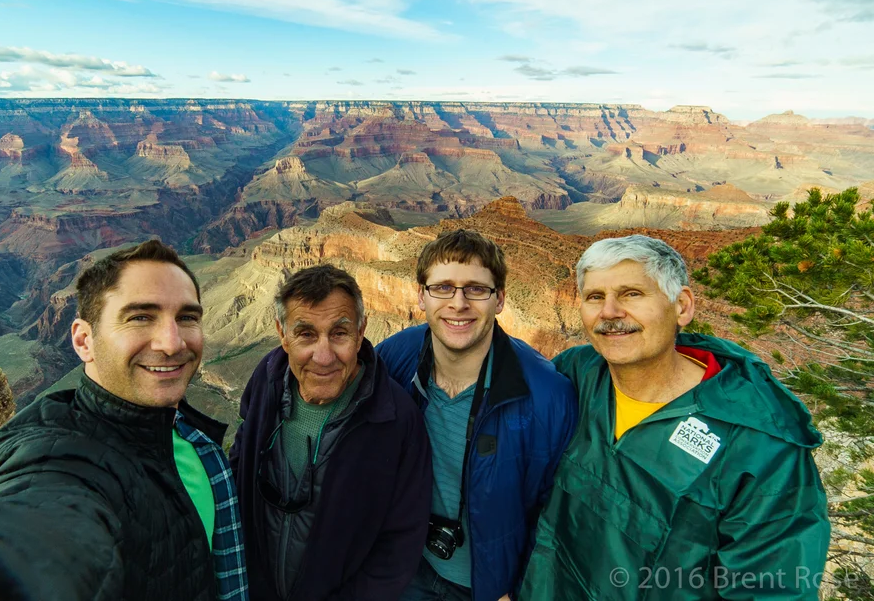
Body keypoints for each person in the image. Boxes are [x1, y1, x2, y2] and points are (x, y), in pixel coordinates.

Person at [0, 239, 248, 601]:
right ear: (83, 340)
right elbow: (43, 520)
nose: (172, 342)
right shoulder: (53, 453)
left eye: (187, 317)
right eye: (140, 317)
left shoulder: (193, 436)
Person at [519, 234, 830, 600]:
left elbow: (772, 588)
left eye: (632, 293)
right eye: (595, 297)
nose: (610, 312)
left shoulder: (760, 444)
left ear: (681, 306)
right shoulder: (575, 373)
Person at [375, 229, 578, 601]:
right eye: (443, 288)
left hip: (485, 588)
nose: (458, 303)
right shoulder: (394, 358)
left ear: (499, 299)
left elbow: (556, 514)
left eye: (476, 289)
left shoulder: (548, 396)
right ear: (421, 295)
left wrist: (518, 591)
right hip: (404, 568)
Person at [230, 264, 432, 601]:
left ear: (361, 331)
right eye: (306, 334)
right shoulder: (265, 381)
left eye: (339, 333)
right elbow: (240, 461)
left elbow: (400, 544)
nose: (323, 357)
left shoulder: (396, 422)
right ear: (283, 334)